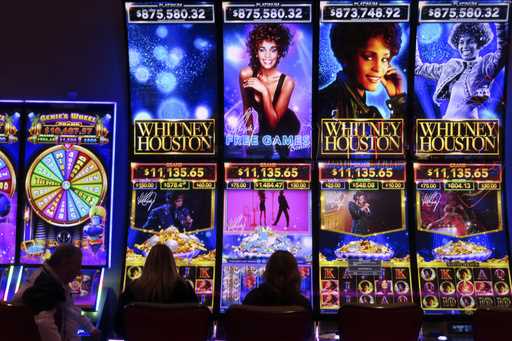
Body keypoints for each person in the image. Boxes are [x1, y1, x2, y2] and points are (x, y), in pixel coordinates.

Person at [416, 23, 507, 119]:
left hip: (470, 127)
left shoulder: (485, 65)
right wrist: (414, 36)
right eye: (461, 42)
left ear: (479, 44)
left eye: (470, 41)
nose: (465, 46)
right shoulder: (451, 66)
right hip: (447, 125)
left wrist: (501, 23)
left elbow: (503, 52)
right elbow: (418, 68)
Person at [12, 244, 100, 341]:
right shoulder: (46, 283)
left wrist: (90, 328)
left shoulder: (55, 280)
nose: (79, 272)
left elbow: (70, 308)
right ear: (65, 263)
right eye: (78, 265)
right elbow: (44, 322)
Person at [319, 23, 406, 119]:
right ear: (347, 56)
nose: (378, 68)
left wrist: (397, 97)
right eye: (368, 57)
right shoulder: (324, 104)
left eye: (384, 59)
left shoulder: (370, 114)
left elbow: (403, 134)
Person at [241, 23, 300, 159]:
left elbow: (274, 122)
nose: (267, 55)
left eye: (273, 50)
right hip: (265, 123)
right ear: (256, 52)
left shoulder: (287, 82)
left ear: (279, 52)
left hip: (287, 125)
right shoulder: (246, 74)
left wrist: (264, 92)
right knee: (258, 154)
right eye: (262, 49)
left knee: (282, 154)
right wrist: (250, 135)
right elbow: (247, 108)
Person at [116, 244, 198, 337]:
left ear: (148, 262)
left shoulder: (132, 288)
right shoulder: (185, 288)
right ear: (172, 263)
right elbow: (197, 325)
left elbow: (118, 327)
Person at [243, 250, 311, 312]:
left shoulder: (251, 299)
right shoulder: (303, 305)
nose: (281, 278)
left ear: (267, 273)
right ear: (295, 275)